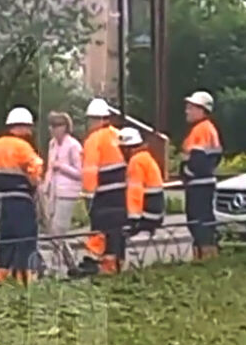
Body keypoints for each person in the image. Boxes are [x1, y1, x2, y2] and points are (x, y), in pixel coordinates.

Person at [0, 106, 44, 284]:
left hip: (2, 202)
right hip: (22, 201)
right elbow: (36, 167)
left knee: (5, 241)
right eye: (28, 127)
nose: (30, 131)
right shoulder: (24, 147)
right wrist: (34, 182)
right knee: (25, 239)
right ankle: (24, 280)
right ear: (21, 126)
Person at [70, 98, 126, 277]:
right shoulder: (118, 135)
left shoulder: (93, 140)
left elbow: (90, 170)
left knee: (101, 230)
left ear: (94, 120)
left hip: (103, 195)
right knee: (117, 232)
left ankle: (102, 267)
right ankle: (117, 265)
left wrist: (88, 195)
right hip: (122, 193)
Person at [181, 91, 223, 261]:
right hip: (203, 183)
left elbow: (197, 162)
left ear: (201, 110)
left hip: (198, 184)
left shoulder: (201, 130)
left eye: (191, 107)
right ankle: (206, 256)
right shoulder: (207, 129)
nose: (187, 111)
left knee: (199, 223)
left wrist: (186, 172)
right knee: (204, 222)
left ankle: (205, 258)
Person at [42, 111, 82, 270]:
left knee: (58, 230)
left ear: (65, 127)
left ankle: (53, 266)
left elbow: (80, 172)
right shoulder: (52, 144)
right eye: (51, 126)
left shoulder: (73, 145)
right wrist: (45, 186)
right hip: (53, 191)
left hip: (67, 192)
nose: (53, 129)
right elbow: (50, 168)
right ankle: (72, 264)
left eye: (57, 125)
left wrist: (62, 167)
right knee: (53, 229)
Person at [119, 127, 165, 237]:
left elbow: (135, 193)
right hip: (155, 213)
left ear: (127, 148)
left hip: (147, 215)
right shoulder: (145, 157)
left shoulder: (136, 162)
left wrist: (133, 220)